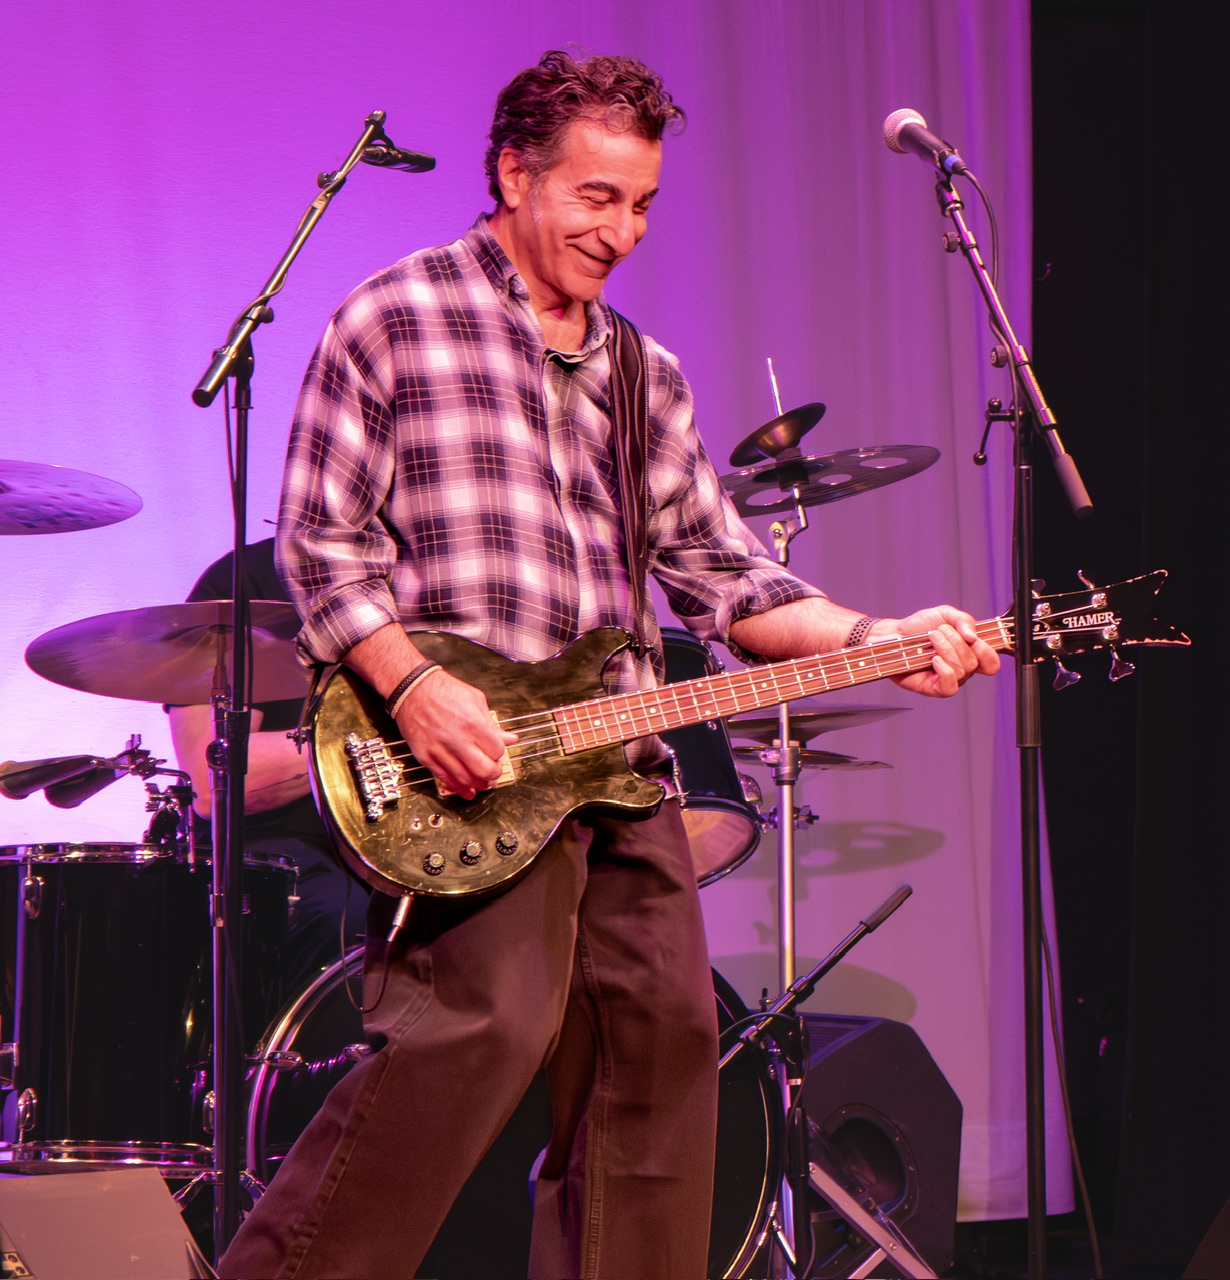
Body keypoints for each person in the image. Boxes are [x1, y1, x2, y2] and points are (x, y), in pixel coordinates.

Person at [219, 50, 999, 1280]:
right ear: (513, 172)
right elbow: (322, 547)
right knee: (480, 1029)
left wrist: (876, 638)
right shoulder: (393, 317)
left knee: (663, 1056)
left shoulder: (645, 372)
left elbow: (728, 578)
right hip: (469, 768)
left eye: (641, 204)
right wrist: (414, 687)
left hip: (622, 767)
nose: (622, 231)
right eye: (597, 197)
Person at [167, 538, 367, 998]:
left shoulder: (444, 583)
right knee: (345, 914)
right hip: (290, 847)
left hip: (425, 835)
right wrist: (368, 744)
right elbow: (210, 780)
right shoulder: (250, 580)